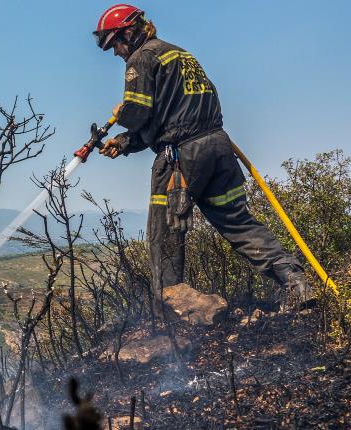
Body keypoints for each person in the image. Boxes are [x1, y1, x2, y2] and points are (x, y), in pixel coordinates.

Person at [92, 4, 313, 311]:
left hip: (180, 160)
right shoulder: (182, 55)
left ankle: (170, 316)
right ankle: (295, 280)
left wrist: (122, 113)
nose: (115, 52)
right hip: (218, 150)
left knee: (165, 233)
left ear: (128, 33)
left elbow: (138, 113)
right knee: (238, 223)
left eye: (114, 44)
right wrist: (124, 143)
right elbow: (170, 118)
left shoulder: (141, 57)